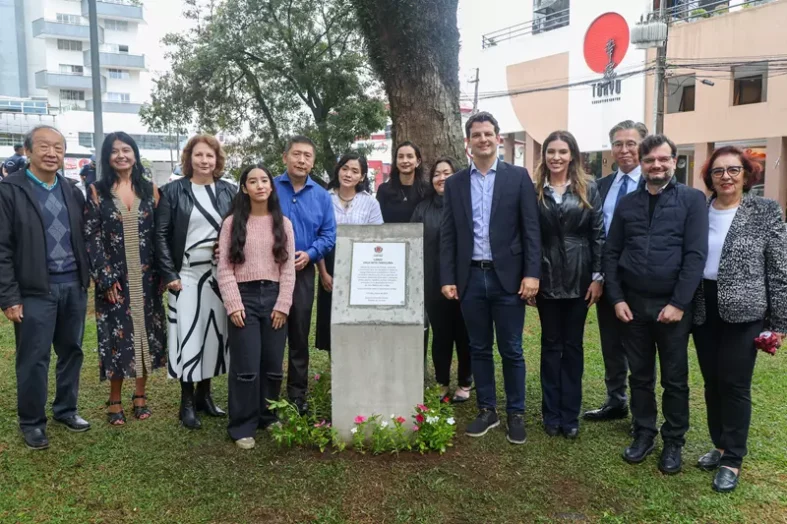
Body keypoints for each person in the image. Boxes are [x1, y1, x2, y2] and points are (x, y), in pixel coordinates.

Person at [603, 134, 708, 474]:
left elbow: (695, 256)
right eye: (650, 160)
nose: (656, 165)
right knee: (640, 376)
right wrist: (616, 298)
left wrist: (679, 303)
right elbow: (612, 253)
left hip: (673, 308)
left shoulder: (692, 200)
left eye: (663, 159)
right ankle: (644, 433)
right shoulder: (627, 204)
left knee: (675, 379)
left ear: (675, 162)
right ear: (642, 163)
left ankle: (674, 440)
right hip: (633, 305)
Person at [440, 111, 541, 445]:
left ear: (499, 138)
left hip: (508, 279)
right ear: (468, 142)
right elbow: (449, 234)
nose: (482, 139)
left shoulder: (518, 177)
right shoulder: (455, 183)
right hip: (470, 278)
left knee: (511, 348)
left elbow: (531, 230)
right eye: (476, 135)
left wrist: (531, 274)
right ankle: (487, 410)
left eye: (488, 133)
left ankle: (515, 412)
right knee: (478, 347)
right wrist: (448, 277)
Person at [691, 146, 787, 493]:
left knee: (734, 383)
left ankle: (732, 458)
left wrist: (779, 323)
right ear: (710, 177)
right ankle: (718, 445)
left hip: (745, 311)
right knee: (712, 381)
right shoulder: (699, 210)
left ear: (747, 174)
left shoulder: (765, 211)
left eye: (734, 170)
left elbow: (778, 270)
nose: (726, 177)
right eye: (719, 171)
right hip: (704, 306)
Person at [0, 126, 91, 449]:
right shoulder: (10, 190)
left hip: (72, 286)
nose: (52, 153)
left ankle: (66, 409)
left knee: (72, 351)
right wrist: (9, 296)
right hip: (34, 291)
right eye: (44, 146)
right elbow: (2, 249)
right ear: (27, 151)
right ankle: (32, 421)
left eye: (58, 147)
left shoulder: (71, 189)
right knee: (34, 358)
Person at [84, 132, 167, 426]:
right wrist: (105, 278)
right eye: (115, 151)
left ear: (135, 154)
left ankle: (140, 396)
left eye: (126, 149)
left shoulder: (151, 190)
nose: (121, 155)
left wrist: (163, 274)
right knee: (118, 339)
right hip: (115, 281)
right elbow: (92, 236)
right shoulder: (97, 191)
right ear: (107, 157)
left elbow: (160, 235)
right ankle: (115, 399)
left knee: (144, 335)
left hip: (147, 279)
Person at [157, 135, 237, 429]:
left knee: (214, 335)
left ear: (218, 160)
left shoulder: (230, 191)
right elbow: (161, 235)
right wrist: (169, 275)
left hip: (219, 275)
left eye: (210, 156)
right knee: (188, 336)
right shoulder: (173, 191)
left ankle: (205, 396)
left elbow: (238, 228)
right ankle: (186, 402)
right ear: (189, 158)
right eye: (199, 155)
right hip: (186, 276)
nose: (205, 161)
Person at [532, 131, 604, 439]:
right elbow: (529, 236)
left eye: (562, 151)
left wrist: (598, 277)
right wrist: (530, 275)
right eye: (551, 151)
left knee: (572, 348)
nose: (556, 157)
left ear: (572, 155)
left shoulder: (589, 187)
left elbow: (598, 234)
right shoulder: (534, 190)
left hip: (579, 275)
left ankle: (570, 414)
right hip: (546, 277)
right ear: (544, 155)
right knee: (550, 346)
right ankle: (551, 413)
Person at [218, 165, 295, 449]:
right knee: (246, 365)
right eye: (253, 181)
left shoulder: (283, 223)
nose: (260, 185)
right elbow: (224, 268)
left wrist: (283, 304)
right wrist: (234, 303)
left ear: (271, 187)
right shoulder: (232, 224)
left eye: (265, 180)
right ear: (244, 187)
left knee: (273, 364)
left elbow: (288, 269)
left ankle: (268, 415)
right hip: (245, 298)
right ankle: (242, 425)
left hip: (274, 297)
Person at [584, 120, 648, 423]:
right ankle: (616, 400)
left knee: (639, 349)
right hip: (608, 278)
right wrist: (597, 275)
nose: (624, 150)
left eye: (630, 143)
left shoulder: (652, 183)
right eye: (618, 144)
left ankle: (641, 414)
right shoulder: (602, 185)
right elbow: (596, 233)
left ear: (642, 146)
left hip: (641, 282)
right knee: (611, 344)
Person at [273, 136, 336, 415]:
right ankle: (268, 396)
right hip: (268, 272)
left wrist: (310, 254)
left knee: (299, 334)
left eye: (307, 156)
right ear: (285, 156)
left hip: (302, 273)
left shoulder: (322, 196)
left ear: (313, 162)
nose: (301, 160)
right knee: (270, 335)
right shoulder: (269, 187)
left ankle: (297, 396)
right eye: (296, 154)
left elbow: (328, 234)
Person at [411, 157, 472, 403]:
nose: (442, 177)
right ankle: (442, 382)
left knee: (464, 334)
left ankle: (466, 381)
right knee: (441, 335)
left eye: (447, 172)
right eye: (437, 173)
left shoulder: (467, 206)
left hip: (466, 283)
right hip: (433, 283)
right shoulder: (422, 209)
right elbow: (413, 246)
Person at [315, 153, 383, 352]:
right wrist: (323, 272)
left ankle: (357, 361)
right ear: (338, 170)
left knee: (358, 317)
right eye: (345, 168)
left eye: (355, 171)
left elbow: (377, 238)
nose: (348, 174)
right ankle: (335, 369)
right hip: (329, 264)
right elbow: (317, 237)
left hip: (361, 267)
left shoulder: (370, 203)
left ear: (362, 177)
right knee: (331, 316)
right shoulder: (324, 199)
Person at [376, 141, 430, 224]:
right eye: (400, 157)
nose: (405, 161)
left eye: (410, 156)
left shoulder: (427, 190)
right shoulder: (383, 190)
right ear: (396, 161)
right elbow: (378, 221)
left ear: (418, 162)